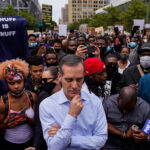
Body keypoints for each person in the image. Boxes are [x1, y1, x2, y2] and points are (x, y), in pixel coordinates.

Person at [39, 55, 108, 150]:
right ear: (59, 77)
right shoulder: (47, 105)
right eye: (69, 80)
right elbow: (54, 146)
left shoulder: (94, 102)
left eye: (79, 79)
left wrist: (70, 140)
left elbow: (101, 139)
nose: (75, 85)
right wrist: (72, 115)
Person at [0, 59, 37, 150]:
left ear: (24, 80)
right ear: (7, 84)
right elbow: (0, 128)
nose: (16, 86)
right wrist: (6, 124)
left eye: (19, 82)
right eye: (12, 83)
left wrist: (27, 119)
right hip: (9, 144)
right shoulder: (2, 102)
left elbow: (37, 123)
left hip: (30, 142)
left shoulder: (32, 97)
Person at [26, 66, 61, 150]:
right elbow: (38, 125)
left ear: (58, 78)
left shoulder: (70, 96)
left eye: (45, 80)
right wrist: (35, 146)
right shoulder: (43, 97)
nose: (43, 83)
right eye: (42, 80)